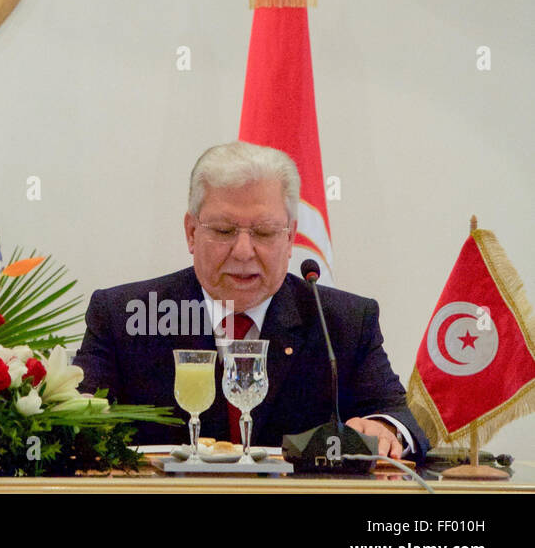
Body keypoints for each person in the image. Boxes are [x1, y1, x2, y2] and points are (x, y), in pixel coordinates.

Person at [73, 141, 428, 459]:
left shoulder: (343, 321)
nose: (244, 252)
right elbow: (75, 419)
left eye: (264, 232)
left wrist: (385, 428)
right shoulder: (125, 317)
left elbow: (398, 417)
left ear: (290, 238)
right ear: (191, 232)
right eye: (225, 231)